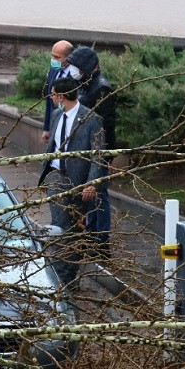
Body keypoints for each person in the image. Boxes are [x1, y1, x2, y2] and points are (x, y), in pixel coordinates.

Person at [37, 71, 107, 290]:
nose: (51, 97)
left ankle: (67, 278)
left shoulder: (91, 119)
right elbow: (53, 147)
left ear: (62, 97)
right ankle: (61, 278)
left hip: (78, 182)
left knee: (74, 231)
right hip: (56, 178)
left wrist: (91, 183)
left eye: (53, 94)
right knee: (60, 227)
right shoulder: (57, 116)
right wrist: (47, 176)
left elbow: (98, 154)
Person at [67, 45, 117, 257]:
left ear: (87, 67)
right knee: (90, 196)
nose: (72, 70)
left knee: (99, 195)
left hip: (98, 152)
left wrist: (101, 155)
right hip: (85, 150)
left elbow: (102, 127)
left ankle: (101, 241)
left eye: (76, 66)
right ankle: (90, 235)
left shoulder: (101, 89)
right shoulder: (85, 84)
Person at [41, 40, 73, 143]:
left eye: (57, 57)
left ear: (69, 58)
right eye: (52, 56)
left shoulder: (76, 75)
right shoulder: (53, 69)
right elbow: (49, 99)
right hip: (54, 124)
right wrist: (46, 128)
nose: (53, 60)